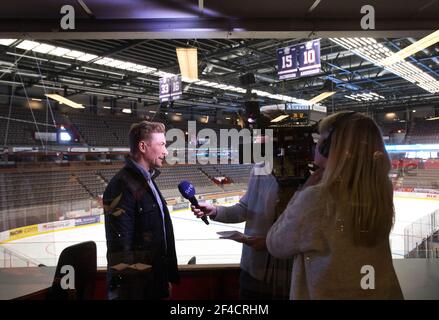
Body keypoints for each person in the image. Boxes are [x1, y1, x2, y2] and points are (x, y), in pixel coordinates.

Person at [266, 111, 404, 299]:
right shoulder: (380, 190)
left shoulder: (318, 198)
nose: (315, 146)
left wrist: (301, 192)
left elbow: (276, 244)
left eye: (320, 141)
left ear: (330, 148)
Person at [191, 159, 294, 300]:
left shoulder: (310, 174)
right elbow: (245, 208)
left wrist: (268, 243)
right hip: (253, 272)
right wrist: (215, 211)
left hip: (290, 276)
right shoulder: (260, 168)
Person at [103, 121, 179, 300]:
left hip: (154, 284)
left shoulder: (147, 181)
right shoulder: (121, 185)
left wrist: (162, 280)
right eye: (161, 144)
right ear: (143, 146)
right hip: (138, 291)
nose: (166, 151)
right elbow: (121, 250)